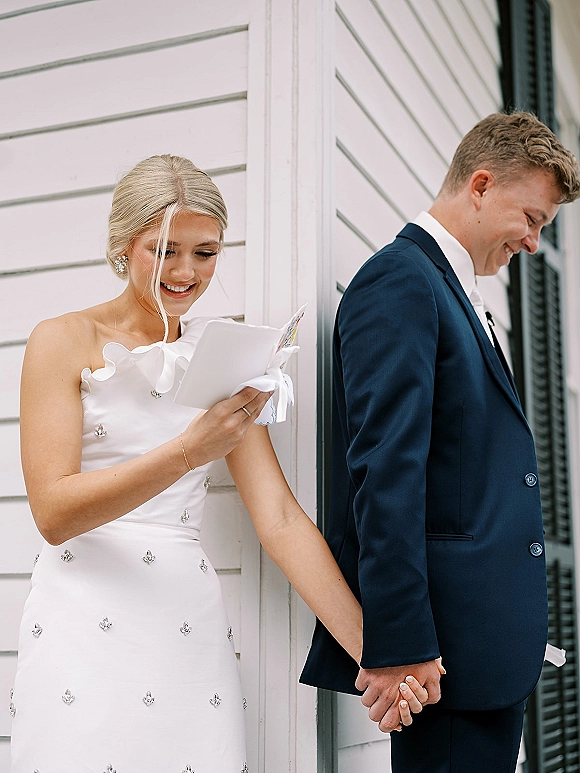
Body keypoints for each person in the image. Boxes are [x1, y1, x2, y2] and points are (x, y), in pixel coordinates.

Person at [10, 154, 426, 772]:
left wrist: (380, 656)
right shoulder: (62, 339)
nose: (184, 272)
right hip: (80, 615)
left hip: (183, 618)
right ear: (125, 245)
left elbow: (281, 519)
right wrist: (188, 451)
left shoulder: (222, 353)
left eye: (205, 253)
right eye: (164, 250)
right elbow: (52, 510)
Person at [300, 112, 580, 772]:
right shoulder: (402, 280)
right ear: (480, 184)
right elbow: (384, 471)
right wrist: (399, 643)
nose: (535, 243)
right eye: (533, 218)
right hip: (439, 662)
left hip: (478, 655)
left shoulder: (454, 290)